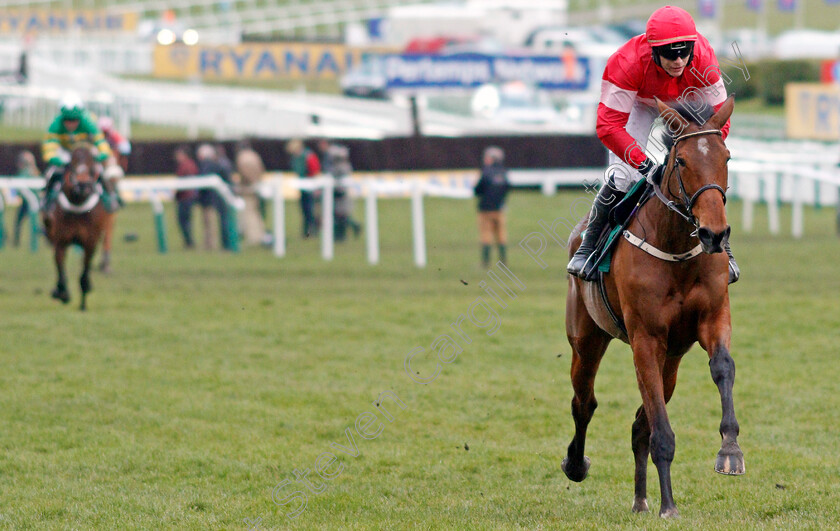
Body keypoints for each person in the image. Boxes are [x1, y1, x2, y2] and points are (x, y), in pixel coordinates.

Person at [566, 6, 739, 284]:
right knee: (623, 175)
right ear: (653, 49)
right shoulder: (626, 62)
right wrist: (644, 164)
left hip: (686, 102)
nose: (679, 60)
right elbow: (608, 125)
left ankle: (724, 250)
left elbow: (718, 124)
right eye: (670, 54)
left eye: (684, 52)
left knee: (706, 172)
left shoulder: (704, 57)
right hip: (640, 102)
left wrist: (696, 154)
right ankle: (588, 245)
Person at [41, 94, 115, 214]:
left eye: (74, 120)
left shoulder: (89, 122)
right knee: (51, 173)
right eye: (67, 120)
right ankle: (46, 200)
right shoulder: (55, 124)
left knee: (101, 171)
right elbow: (49, 145)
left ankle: (110, 198)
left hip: (86, 152)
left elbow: (100, 141)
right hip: (66, 152)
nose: (71, 124)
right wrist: (54, 158)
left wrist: (102, 154)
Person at [474, 146, 510, 268]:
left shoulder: (486, 172)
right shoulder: (503, 172)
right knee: (501, 235)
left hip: (485, 210)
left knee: (486, 235)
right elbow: (507, 188)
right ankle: (503, 261)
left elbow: (478, 189)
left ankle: (485, 262)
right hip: (499, 209)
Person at [196, 143, 234, 250]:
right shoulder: (220, 164)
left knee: (212, 224)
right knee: (220, 222)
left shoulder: (207, 165)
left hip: (210, 200)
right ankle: (224, 244)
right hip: (219, 198)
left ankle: (214, 245)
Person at [234, 139, 269, 246]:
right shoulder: (255, 156)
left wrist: (242, 185)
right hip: (257, 186)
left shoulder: (242, 158)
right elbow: (262, 169)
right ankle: (261, 234)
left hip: (248, 189)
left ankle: (254, 237)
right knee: (256, 212)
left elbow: (243, 174)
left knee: (249, 213)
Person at [327, 143, 362, 241]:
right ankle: (342, 234)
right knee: (341, 216)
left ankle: (341, 235)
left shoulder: (340, 167)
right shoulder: (345, 166)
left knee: (340, 216)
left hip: (340, 194)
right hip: (340, 193)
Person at [286, 139, 321, 238]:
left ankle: (312, 231)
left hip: (310, 187)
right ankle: (306, 232)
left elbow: (315, 171)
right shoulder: (297, 157)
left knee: (310, 211)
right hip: (302, 187)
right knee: (305, 210)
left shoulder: (309, 156)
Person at [173, 145, 199, 249]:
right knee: (185, 221)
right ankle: (189, 242)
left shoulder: (186, 165)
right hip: (188, 197)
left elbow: (184, 184)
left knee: (184, 221)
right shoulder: (189, 164)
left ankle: (189, 242)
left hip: (185, 197)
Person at [12, 150, 39, 247]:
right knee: (21, 222)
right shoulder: (32, 173)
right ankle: (17, 243)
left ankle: (33, 245)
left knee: (32, 223)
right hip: (27, 202)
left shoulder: (28, 173)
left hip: (31, 202)